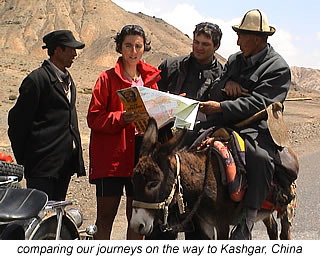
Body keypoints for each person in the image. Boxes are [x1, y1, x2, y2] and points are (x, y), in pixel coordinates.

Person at [199, 9, 291, 239]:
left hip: (257, 126)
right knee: (191, 141)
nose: (237, 40)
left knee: (260, 157)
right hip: (226, 121)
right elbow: (216, 87)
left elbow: (261, 103)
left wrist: (223, 106)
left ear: (258, 39)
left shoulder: (278, 68)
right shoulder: (234, 60)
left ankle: (246, 221)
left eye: (242, 35)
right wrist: (226, 84)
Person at [87, 25, 161, 240]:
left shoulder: (151, 81)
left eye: (138, 46)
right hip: (111, 158)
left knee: (138, 221)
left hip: (141, 156)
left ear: (144, 48)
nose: (133, 50)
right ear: (120, 47)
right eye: (128, 45)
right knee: (105, 218)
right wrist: (122, 118)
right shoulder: (106, 79)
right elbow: (94, 117)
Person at [8, 30, 86, 201]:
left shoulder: (69, 81)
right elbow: (16, 123)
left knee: (56, 217)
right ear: (57, 50)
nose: (75, 54)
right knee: (40, 216)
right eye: (70, 49)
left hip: (63, 166)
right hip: (41, 167)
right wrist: (27, 158)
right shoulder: (37, 80)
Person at [158, 22, 223, 146]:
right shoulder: (170, 67)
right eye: (196, 42)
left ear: (217, 46)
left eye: (205, 44)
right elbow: (151, 103)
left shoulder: (223, 76)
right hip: (165, 136)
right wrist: (169, 102)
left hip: (203, 140)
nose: (199, 47)